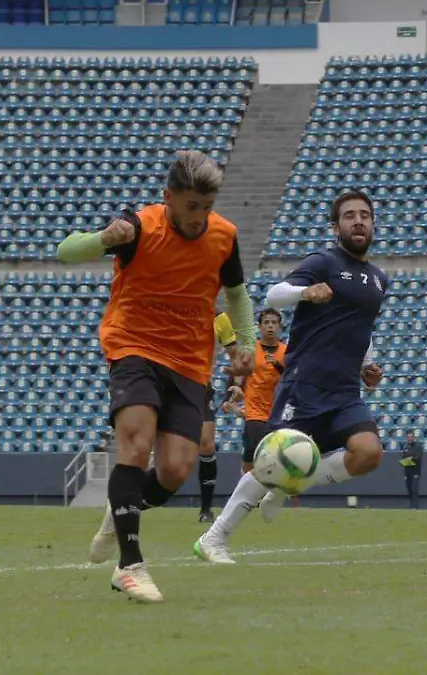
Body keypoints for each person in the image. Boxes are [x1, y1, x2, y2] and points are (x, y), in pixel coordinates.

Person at [57, 150, 255, 603]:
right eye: (192, 206)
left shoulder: (224, 236)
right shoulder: (140, 227)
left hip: (189, 363)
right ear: (169, 197)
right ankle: (130, 565)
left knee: (174, 470)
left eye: (207, 207)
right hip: (134, 347)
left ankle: (119, 510)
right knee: (136, 440)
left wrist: (244, 343)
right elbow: (66, 251)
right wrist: (103, 238)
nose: (200, 217)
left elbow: (237, 294)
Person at [193, 189, 388, 564]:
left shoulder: (378, 279)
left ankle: (287, 485)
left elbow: (360, 328)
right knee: (269, 466)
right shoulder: (323, 262)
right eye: (349, 215)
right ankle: (213, 539)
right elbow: (275, 293)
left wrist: (368, 365)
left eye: (365, 215)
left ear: (373, 224)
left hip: (346, 391)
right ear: (335, 227)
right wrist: (305, 291)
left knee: (368, 453)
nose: (358, 221)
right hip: (305, 384)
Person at [225, 308, 288, 474]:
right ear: (259, 327)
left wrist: (277, 365)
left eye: (274, 322)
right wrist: (229, 396)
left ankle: (248, 478)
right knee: (259, 449)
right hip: (254, 410)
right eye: (266, 322)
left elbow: (291, 378)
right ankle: (252, 483)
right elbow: (237, 372)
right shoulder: (251, 349)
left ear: (280, 327)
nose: (270, 326)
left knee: (257, 453)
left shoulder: (286, 352)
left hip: (277, 411)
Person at [197, 310, 241, 523]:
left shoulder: (219, 319)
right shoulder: (173, 310)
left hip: (200, 387)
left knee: (207, 445)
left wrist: (234, 386)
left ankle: (205, 509)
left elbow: (236, 357)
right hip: (171, 385)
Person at [400, 431, 423, 509]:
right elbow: (403, 458)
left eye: (411, 437)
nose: (410, 438)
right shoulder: (406, 447)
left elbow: (418, 458)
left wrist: (411, 458)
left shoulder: (418, 447)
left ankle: (415, 507)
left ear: (414, 438)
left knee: (414, 489)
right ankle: (411, 505)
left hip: (415, 471)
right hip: (407, 472)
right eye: (408, 437)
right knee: (409, 489)